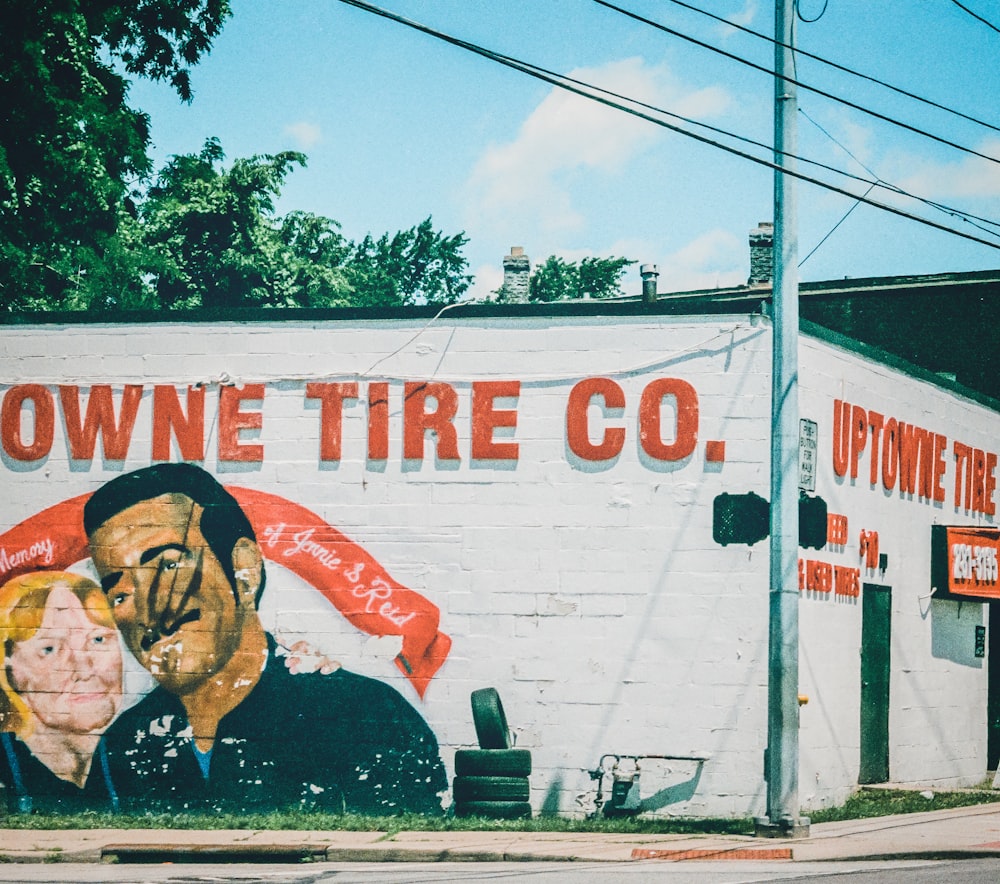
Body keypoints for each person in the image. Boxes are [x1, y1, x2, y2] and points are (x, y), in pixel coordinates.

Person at [84, 463, 447, 814]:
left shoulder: (364, 719)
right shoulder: (123, 747)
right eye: (119, 594)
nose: (147, 609)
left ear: (244, 569)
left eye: (168, 565)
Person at [0, 572, 122, 812]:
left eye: (98, 640)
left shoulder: (140, 753)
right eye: (50, 649)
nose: (84, 669)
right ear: (10, 672)